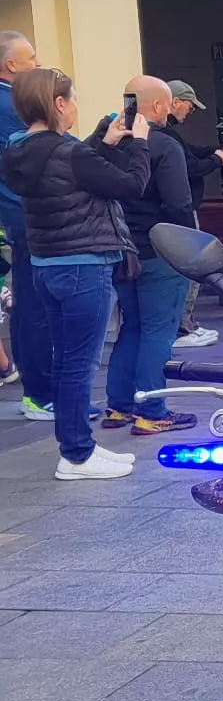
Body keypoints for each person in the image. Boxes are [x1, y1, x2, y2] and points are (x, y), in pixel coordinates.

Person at [0, 68, 150, 480]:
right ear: (59, 104)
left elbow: (65, 168)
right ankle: (78, 455)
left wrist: (103, 142)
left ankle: (77, 448)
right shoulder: (70, 154)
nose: (76, 108)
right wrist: (139, 144)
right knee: (79, 366)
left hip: (46, 266)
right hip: (84, 266)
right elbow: (131, 185)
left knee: (66, 363)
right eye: (73, 99)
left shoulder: (18, 149)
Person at [100, 76, 198, 436]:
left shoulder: (107, 142)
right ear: (159, 106)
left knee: (132, 327)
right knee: (158, 330)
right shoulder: (164, 145)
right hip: (160, 251)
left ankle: (119, 406)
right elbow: (178, 204)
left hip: (121, 250)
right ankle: (152, 410)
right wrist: (192, 243)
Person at [0, 31, 54, 416]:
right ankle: (40, 394)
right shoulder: (9, 105)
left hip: (19, 214)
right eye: (30, 57)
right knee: (36, 305)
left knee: (30, 303)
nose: (37, 63)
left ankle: (37, 391)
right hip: (27, 214)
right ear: (11, 65)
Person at [163, 80, 223, 349]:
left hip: (178, 211)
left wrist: (215, 151)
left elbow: (191, 154)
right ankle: (183, 327)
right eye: (190, 107)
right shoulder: (166, 136)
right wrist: (218, 160)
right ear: (175, 102)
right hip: (180, 213)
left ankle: (183, 324)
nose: (190, 112)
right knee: (189, 268)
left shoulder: (167, 134)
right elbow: (191, 166)